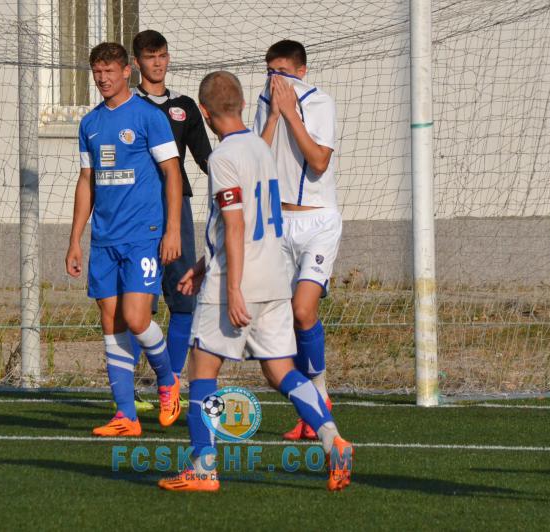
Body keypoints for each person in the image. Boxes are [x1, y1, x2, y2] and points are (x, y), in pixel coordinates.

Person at [157, 71, 352, 492]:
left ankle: (203, 467)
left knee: (202, 368)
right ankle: (331, 437)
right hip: (275, 278)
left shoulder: (222, 158)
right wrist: (203, 264)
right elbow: (251, 220)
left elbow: (235, 225)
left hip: (237, 280)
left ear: (204, 112)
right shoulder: (263, 149)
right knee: (280, 370)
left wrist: (231, 288)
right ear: (243, 104)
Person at [66, 42, 183, 436]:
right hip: (104, 240)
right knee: (111, 322)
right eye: (97, 72)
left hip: (143, 235)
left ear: (126, 72)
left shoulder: (149, 117)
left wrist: (172, 230)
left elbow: (172, 173)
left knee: (136, 318)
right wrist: (75, 239)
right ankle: (126, 416)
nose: (102, 79)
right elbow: (87, 181)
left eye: (109, 72)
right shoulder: (90, 124)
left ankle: (167, 379)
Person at [254, 40, 339, 440]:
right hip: (279, 222)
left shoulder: (319, 103)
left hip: (318, 221)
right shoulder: (264, 102)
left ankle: (319, 395)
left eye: (284, 73)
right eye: (271, 72)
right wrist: (274, 115)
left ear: (301, 72)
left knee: (304, 310)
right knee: (284, 319)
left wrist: (290, 114)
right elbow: (256, 159)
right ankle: (310, 409)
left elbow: (319, 161)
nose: (276, 80)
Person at [128, 29, 212, 395]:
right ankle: (131, 388)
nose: (158, 63)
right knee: (137, 302)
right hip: (137, 212)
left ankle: (172, 382)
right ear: (136, 63)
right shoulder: (127, 107)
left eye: (162, 55)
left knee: (183, 296)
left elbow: (207, 159)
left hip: (178, 208)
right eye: (150, 57)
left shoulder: (185, 106)